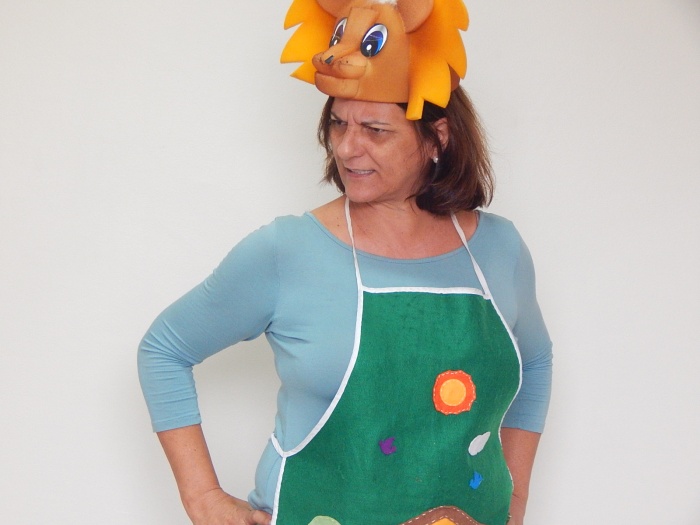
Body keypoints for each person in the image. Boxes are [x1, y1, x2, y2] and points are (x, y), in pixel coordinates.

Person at [138, 1, 552, 524]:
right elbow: (164, 349)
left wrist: (515, 500)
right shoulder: (286, 252)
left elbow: (535, 362)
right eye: (338, 124)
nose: (347, 149)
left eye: (375, 130)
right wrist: (202, 498)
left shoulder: (500, 249)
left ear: (437, 138)